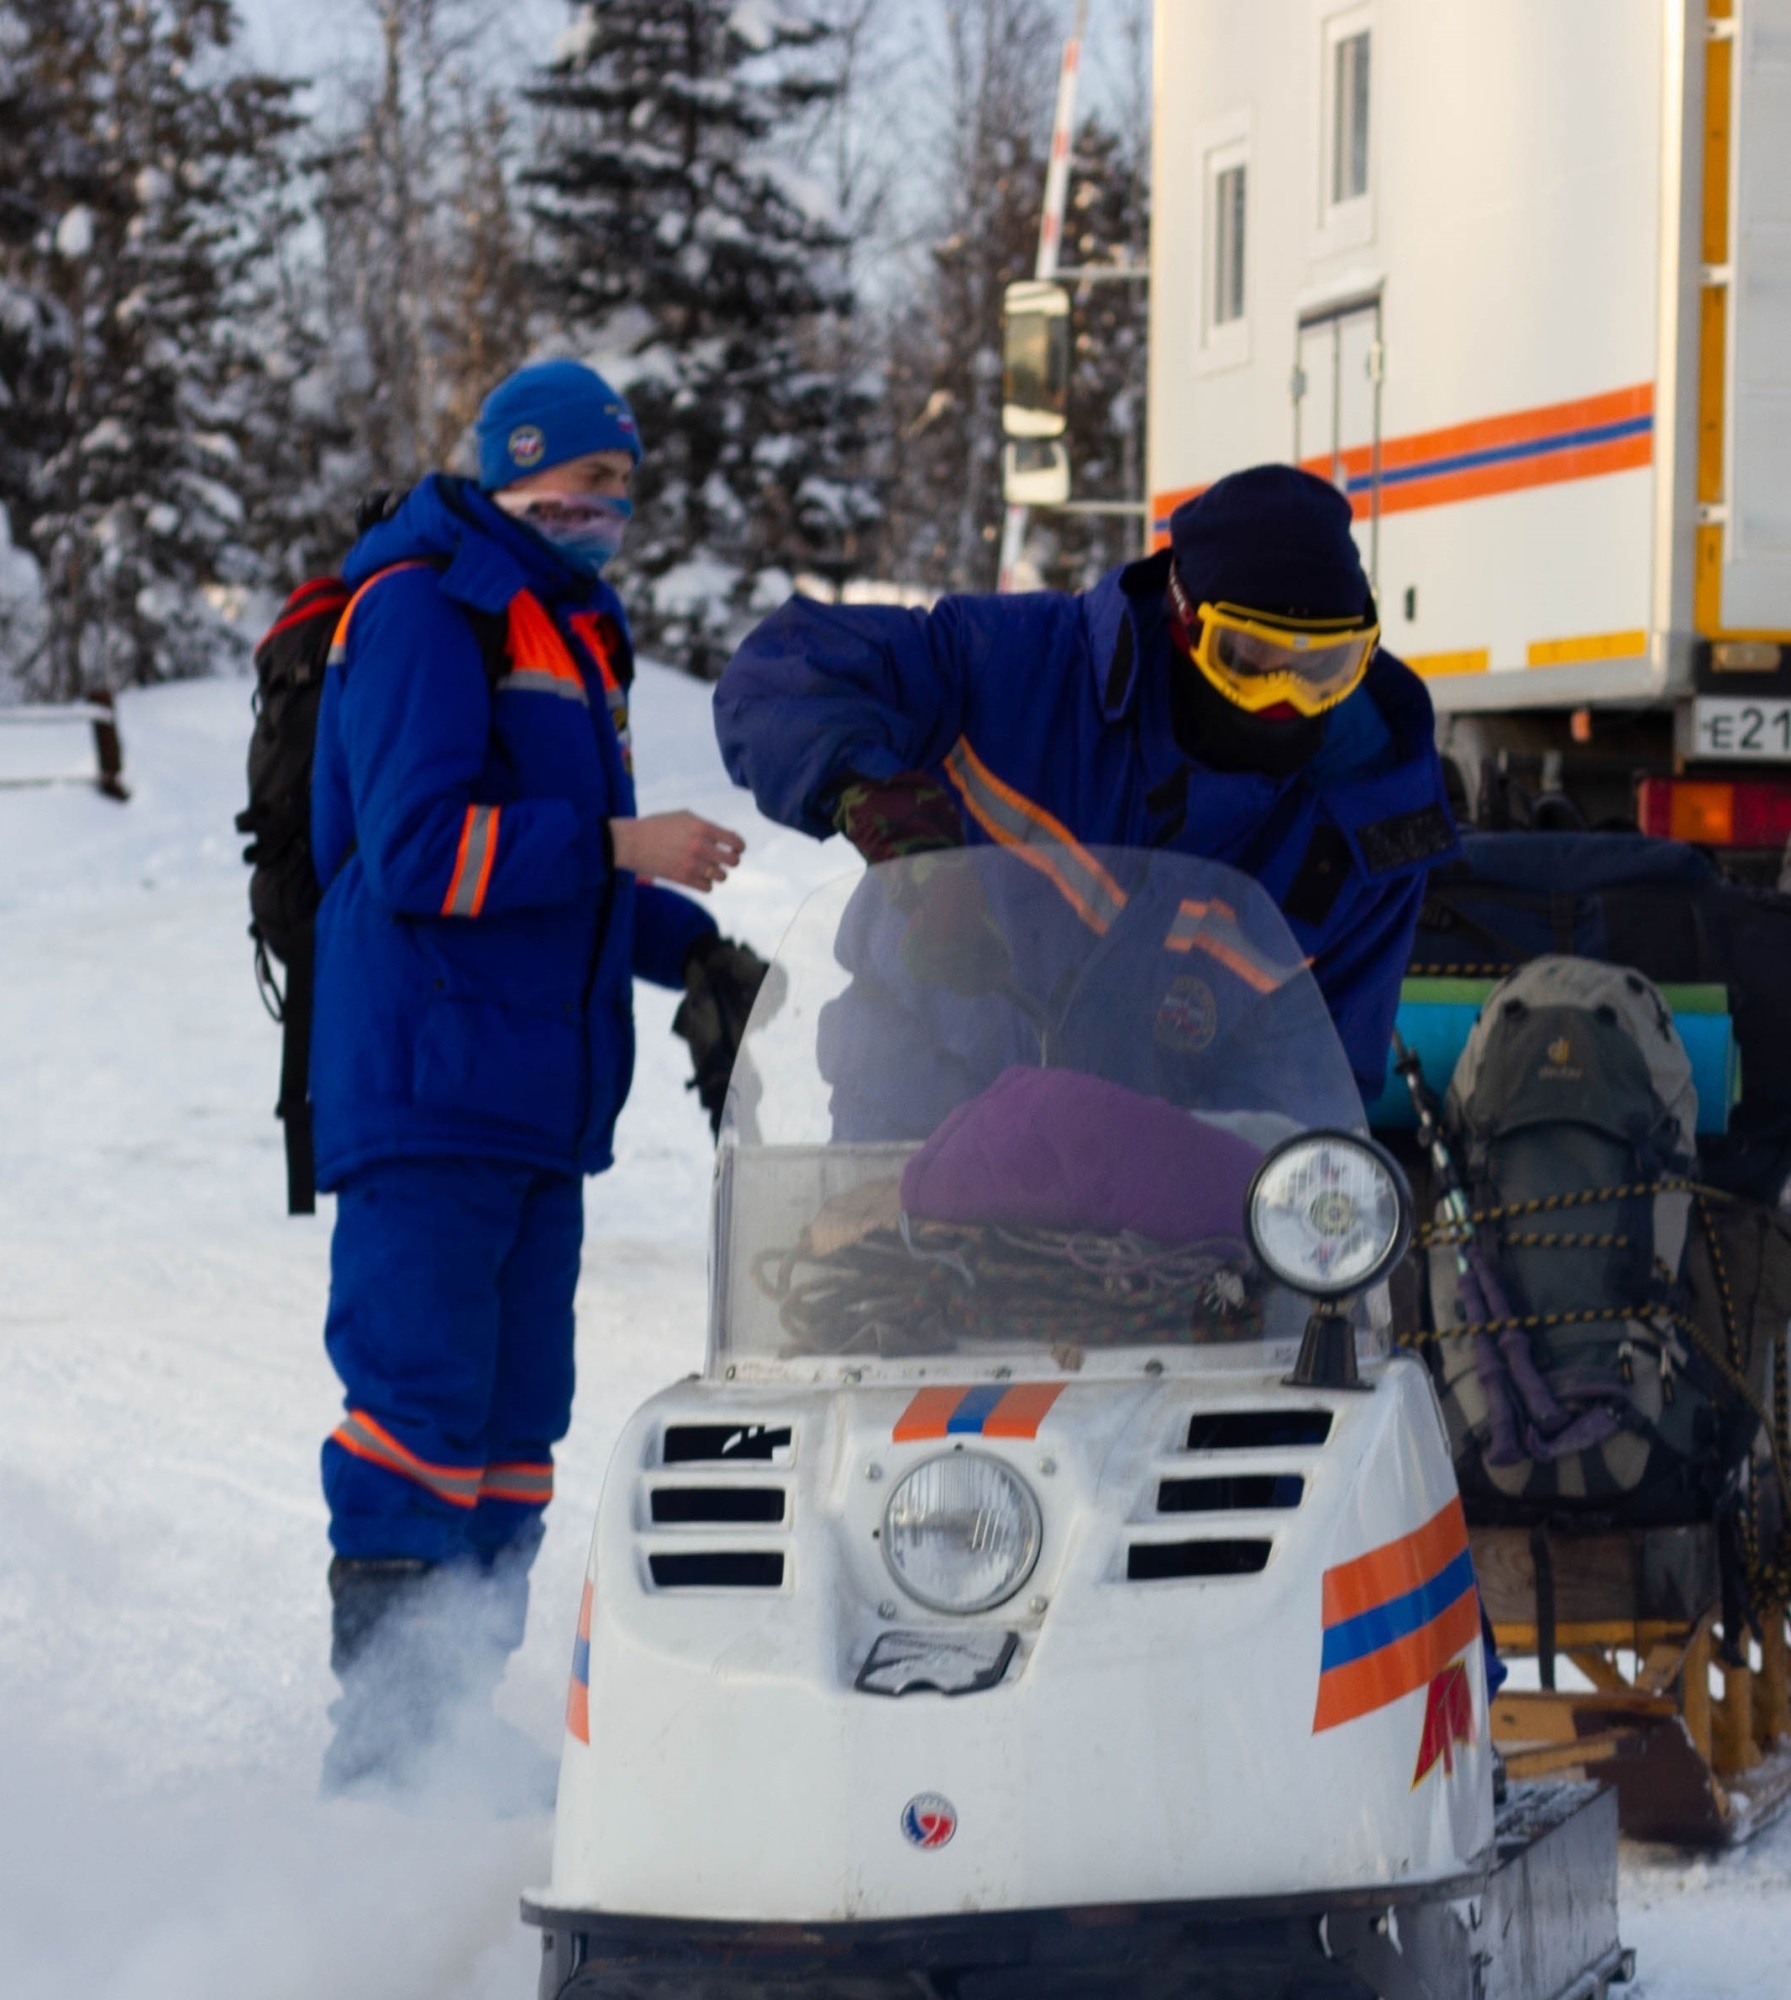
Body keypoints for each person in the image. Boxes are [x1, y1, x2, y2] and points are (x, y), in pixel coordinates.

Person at [308, 358, 756, 1793]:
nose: (605, 508)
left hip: (532, 1112)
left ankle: (448, 1718)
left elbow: (560, 887)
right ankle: (381, 1759)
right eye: (584, 479)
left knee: (511, 1439)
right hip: (425, 1091)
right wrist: (626, 847)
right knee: (418, 1421)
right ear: (513, 466)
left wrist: (695, 954)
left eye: (623, 486)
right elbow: (423, 850)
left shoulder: (569, 627)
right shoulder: (423, 605)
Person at [714, 464, 1457, 1107]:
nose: (1286, 699)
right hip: (909, 1127)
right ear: (1181, 622)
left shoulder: (1367, 828)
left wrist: (1230, 1189)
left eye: (1325, 667)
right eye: (1249, 659)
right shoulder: (1016, 669)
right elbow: (777, 677)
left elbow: (1317, 1086)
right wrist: (877, 806)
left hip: (1152, 1200)